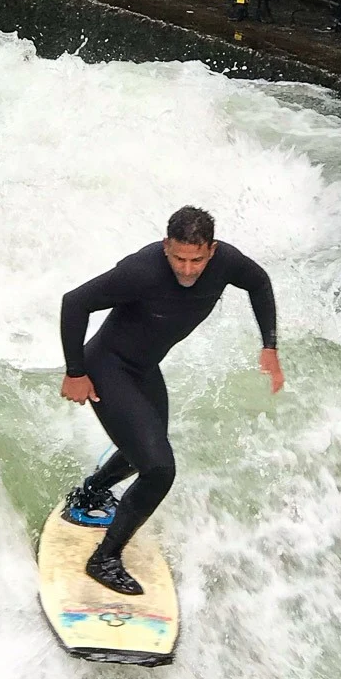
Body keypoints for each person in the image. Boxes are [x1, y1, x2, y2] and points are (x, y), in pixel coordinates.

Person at [59, 206, 284, 595]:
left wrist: (270, 346)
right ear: (166, 246)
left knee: (144, 451)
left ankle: (92, 491)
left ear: (211, 250)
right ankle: (104, 559)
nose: (187, 268)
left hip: (143, 368)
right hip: (108, 367)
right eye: (178, 257)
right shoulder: (142, 270)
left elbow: (259, 283)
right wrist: (75, 372)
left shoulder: (226, 262)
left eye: (196, 259)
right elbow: (74, 302)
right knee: (160, 469)